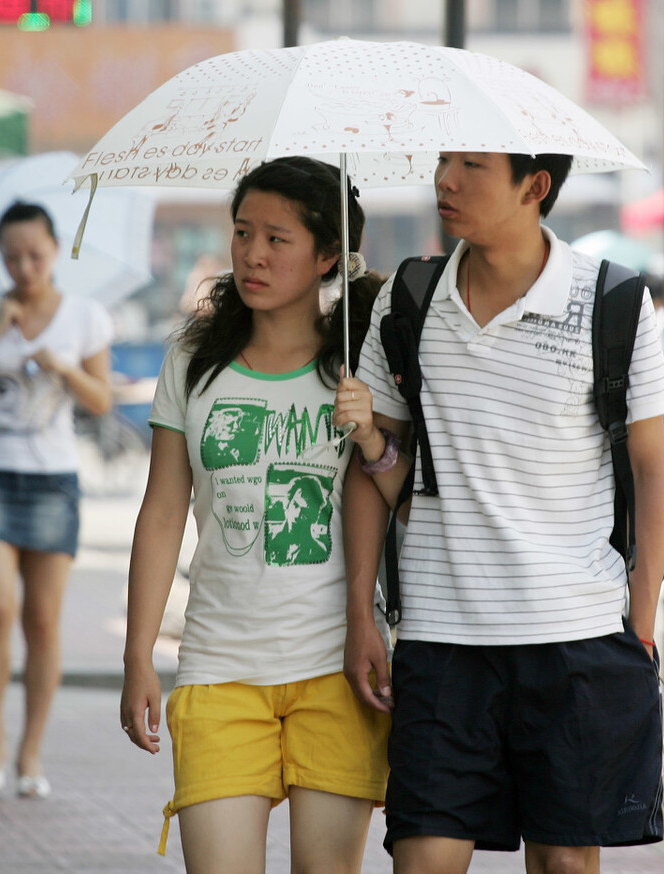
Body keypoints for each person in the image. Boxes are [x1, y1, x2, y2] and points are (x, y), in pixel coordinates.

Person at [336, 151, 664, 874]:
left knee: (564, 864)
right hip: (439, 643)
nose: (445, 181)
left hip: (574, 640)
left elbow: (652, 469)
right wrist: (361, 614)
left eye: (473, 166)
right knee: (422, 859)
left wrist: (639, 621)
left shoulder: (612, 300)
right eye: (444, 162)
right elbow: (375, 471)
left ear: (535, 185)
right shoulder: (409, 296)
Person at [120, 156, 389, 873]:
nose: (253, 255)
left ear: (329, 255)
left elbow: (400, 497)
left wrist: (370, 433)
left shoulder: (362, 362)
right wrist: (138, 654)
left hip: (337, 670)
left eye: (277, 239)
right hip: (217, 666)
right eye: (243, 233)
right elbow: (161, 511)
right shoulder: (194, 359)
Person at [0, 201, 115, 800]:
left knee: (42, 619)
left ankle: (31, 750)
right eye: (12, 256)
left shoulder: (84, 316)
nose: (24, 265)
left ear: (55, 249)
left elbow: (101, 400)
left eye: (35, 254)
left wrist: (61, 366)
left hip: (53, 481)